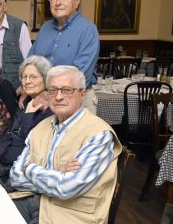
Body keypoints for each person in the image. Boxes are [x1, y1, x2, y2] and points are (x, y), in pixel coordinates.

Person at [9, 65, 122, 224]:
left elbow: (66, 187)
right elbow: (15, 177)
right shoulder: (40, 128)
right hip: (37, 201)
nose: (59, 96)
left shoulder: (99, 134)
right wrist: (56, 172)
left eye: (67, 90)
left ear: (82, 94)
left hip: (70, 215)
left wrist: (30, 168)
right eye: (53, 90)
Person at [27, 0, 99, 114]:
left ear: (76, 1)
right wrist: (28, 86)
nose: (58, 2)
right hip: (43, 100)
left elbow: (79, 72)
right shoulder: (45, 28)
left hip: (77, 101)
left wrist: (49, 93)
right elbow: (31, 62)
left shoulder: (88, 30)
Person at [0, 55, 53, 186]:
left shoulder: (49, 108)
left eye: (33, 77)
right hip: (5, 160)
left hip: (21, 172)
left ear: (45, 79)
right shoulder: (25, 101)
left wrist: (28, 115)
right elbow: (12, 133)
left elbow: (35, 144)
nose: (27, 81)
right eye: (24, 77)